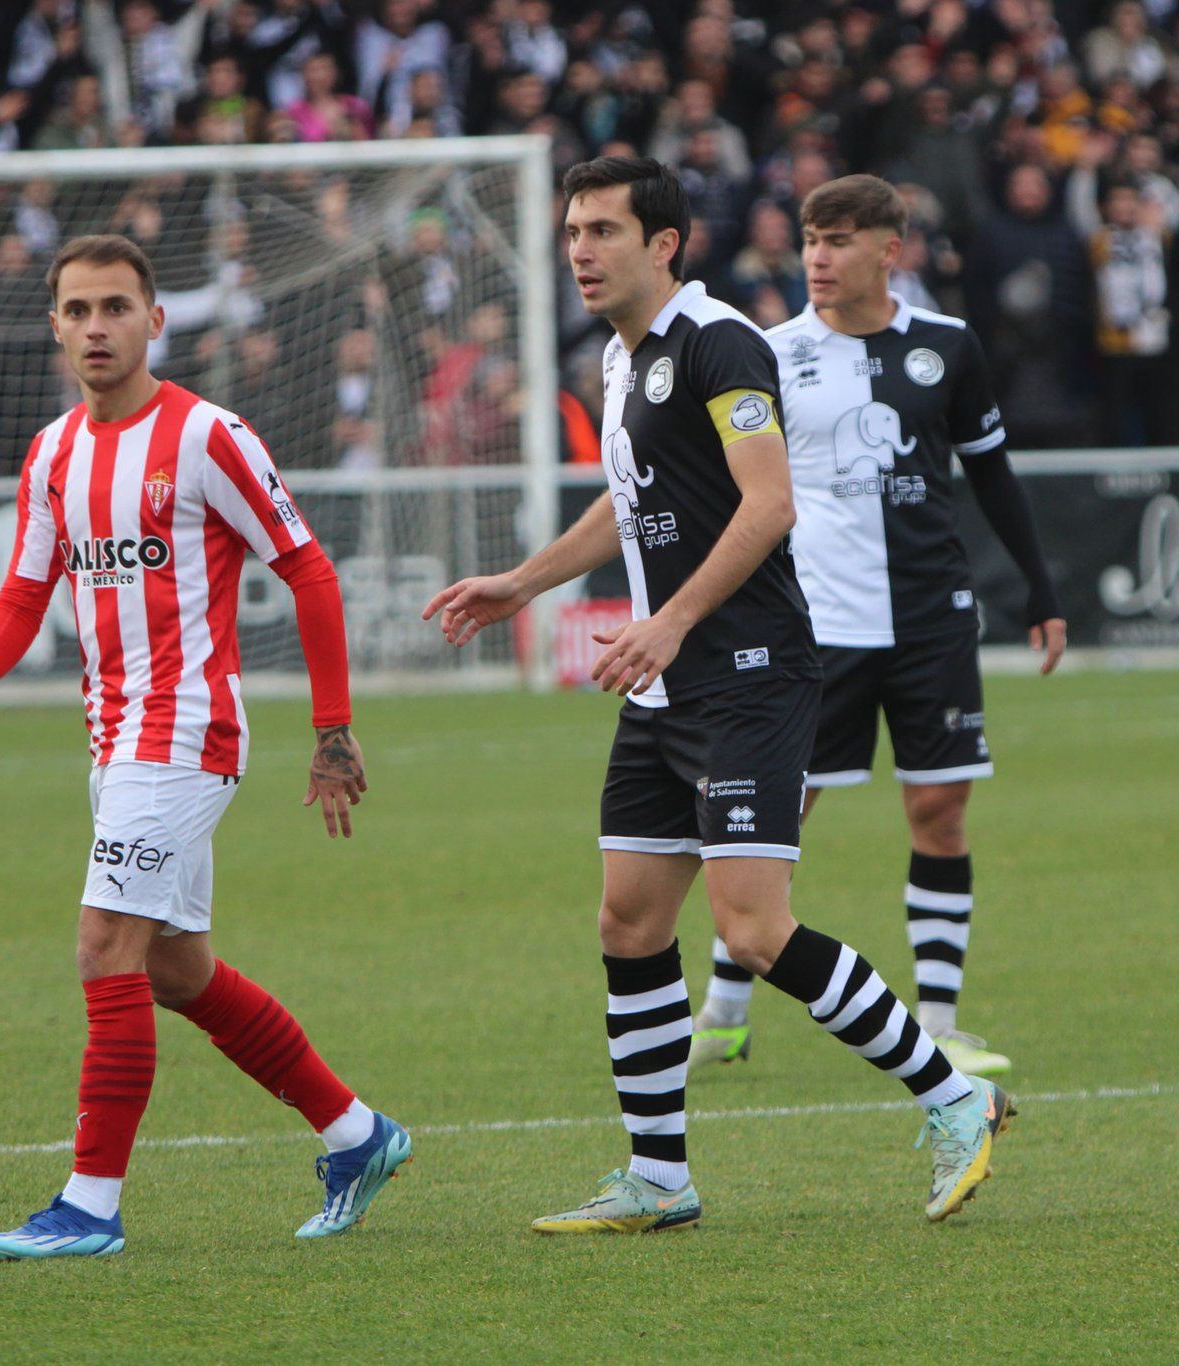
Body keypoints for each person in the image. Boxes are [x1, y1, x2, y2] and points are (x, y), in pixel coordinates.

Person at [422, 158, 1013, 1233]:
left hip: (747, 672)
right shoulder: (620, 360)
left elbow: (768, 502)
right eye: (571, 232)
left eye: (602, 230)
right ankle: (658, 1175)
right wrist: (522, 581)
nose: (579, 251)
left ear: (662, 243)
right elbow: (626, 498)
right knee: (628, 918)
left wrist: (673, 619)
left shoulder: (720, 342)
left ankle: (954, 1096)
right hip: (667, 683)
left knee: (750, 929)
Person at [0, 235, 408, 1261]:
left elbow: (308, 570)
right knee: (178, 970)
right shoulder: (52, 452)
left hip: (186, 730)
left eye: (116, 308)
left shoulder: (207, 436)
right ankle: (358, 1135)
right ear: (53, 323)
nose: (97, 327)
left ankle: (89, 1205)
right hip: (113, 737)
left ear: (155, 319)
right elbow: (23, 588)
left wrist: (332, 727)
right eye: (78, 310)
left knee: (104, 948)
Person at [686, 174, 1066, 1081]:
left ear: (890, 250)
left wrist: (1042, 590)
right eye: (812, 240)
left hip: (933, 619)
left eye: (841, 240)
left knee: (939, 809)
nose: (818, 256)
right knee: (780, 816)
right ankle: (725, 1008)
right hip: (813, 626)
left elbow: (993, 476)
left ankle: (940, 1018)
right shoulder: (768, 352)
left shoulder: (949, 348)